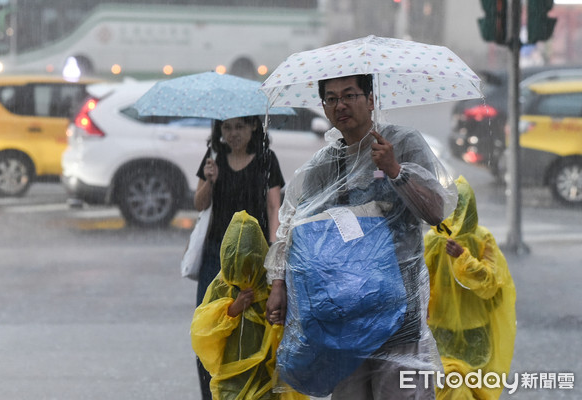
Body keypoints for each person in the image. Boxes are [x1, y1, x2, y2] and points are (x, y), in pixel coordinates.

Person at [264, 73, 458, 399]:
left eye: (350, 95)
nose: (341, 104)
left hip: (400, 315)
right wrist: (279, 284)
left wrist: (396, 170)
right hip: (343, 322)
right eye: (331, 98)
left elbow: (436, 211)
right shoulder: (322, 166)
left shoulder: (403, 143)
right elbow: (291, 225)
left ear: (370, 100)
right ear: (324, 108)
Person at [194, 115, 285, 399]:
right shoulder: (213, 159)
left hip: (253, 262)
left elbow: (274, 207)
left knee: (253, 328)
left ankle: (251, 390)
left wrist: (274, 249)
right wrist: (209, 181)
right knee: (211, 323)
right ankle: (214, 393)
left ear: (254, 127)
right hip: (216, 257)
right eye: (227, 127)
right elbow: (199, 203)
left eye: (240, 127)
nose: (233, 134)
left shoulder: (266, 160)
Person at [191, 211, 308, 400]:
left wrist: (277, 321)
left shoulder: (271, 289)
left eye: (249, 266)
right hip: (232, 379)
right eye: (237, 266)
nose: (244, 275)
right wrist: (233, 309)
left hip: (265, 377)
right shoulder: (224, 287)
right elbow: (203, 331)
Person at [424, 175, 516, 400]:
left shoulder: (481, 239)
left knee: (474, 390)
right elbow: (422, 282)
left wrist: (463, 258)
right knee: (447, 388)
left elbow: (491, 283)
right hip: (441, 329)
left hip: (475, 331)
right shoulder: (434, 240)